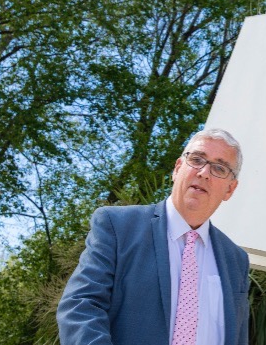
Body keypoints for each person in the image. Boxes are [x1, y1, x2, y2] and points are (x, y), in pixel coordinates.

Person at [57, 128, 249, 345]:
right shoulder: (118, 226)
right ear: (177, 168)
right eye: (197, 160)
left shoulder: (236, 261)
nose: (204, 172)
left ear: (230, 189)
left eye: (219, 168)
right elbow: (81, 306)